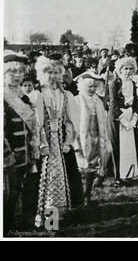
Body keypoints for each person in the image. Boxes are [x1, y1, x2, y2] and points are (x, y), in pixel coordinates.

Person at [33, 54, 83, 227]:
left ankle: (59, 214)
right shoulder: (38, 95)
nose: (52, 76)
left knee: (65, 175)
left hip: (61, 142)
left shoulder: (66, 95)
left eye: (56, 72)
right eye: (48, 72)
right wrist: (42, 143)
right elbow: (37, 122)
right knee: (43, 178)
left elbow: (71, 120)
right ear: (41, 74)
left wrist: (69, 141)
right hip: (45, 143)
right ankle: (46, 218)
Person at [3, 51, 41, 232]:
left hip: (24, 154)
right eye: (12, 72)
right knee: (7, 195)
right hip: (7, 156)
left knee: (18, 191)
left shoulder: (23, 97)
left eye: (20, 72)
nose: (17, 76)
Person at [74, 72, 111, 205]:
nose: (92, 89)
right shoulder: (77, 100)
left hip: (95, 136)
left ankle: (87, 193)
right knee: (80, 166)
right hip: (80, 138)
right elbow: (73, 122)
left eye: (94, 86)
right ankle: (77, 194)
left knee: (92, 165)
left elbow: (102, 121)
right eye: (89, 86)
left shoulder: (97, 101)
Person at [108, 57, 138, 186]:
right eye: (125, 69)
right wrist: (122, 120)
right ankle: (117, 176)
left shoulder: (133, 83)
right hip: (118, 117)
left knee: (129, 146)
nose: (128, 71)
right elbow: (113, 103)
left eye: (130, 69)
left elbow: (135, 102)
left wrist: (134, 118)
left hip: (129, 115)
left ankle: (129, 173)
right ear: (120, 70)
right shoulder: (114, 83)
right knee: (117, 146)